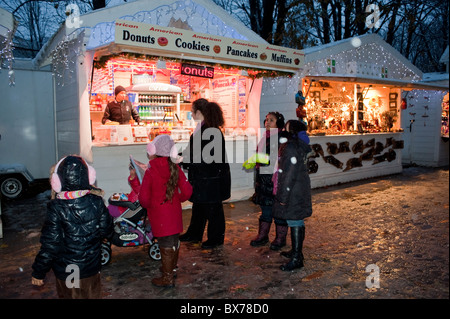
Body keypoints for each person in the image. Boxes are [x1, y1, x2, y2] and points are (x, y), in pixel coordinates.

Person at [31, 155, 113, 298]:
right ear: (88, 177)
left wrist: (39, 271)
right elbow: (107, 231)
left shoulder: (56, 207)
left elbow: (51, 244)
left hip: (69, 270)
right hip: (91, 268)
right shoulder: (97, 201)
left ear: (57, 181)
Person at [138, 135, 193, 288]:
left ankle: (167, 277)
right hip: (174, 214)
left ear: (154, 150)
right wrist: (179, 199)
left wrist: (150, 206)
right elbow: (188, 191)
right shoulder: (175, 167)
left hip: (159, 215)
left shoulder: (151, 170)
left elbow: (143, 198)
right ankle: (171, 267)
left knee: (165, 244)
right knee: (174, 242)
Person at [179, 99, 231, 249]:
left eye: (192, 110)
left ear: (199, 112)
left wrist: (185, 161)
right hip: (203, 177)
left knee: (213, 210)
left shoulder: (210, 131)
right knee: (199, 206)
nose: (191, 113)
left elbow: (207, 158)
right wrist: (181, 157)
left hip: (211, 178)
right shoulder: (202, 128)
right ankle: (194, 233)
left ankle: (216, 238)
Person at [272, 120, 312, 271]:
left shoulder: (291, 148)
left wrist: (282, 197)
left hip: (293, 190)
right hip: (299, 188)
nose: (283, 130)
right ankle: (296, 252)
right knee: (297, 220)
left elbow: (289, 174)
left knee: (295, 220)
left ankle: (297, 258)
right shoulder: (300, 145)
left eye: (286, 128)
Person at [248, 112, 289, 251]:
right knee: (265, 210)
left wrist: (258, 159)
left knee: (278, 211)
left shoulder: (281, 138)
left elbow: (276, 159)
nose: (267, 122)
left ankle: (280, 238)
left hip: (276, 180)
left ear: (279, 123)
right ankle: (263, 235)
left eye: (271, 120)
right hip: (264, 180)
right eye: (266, 120)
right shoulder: (265, 138)